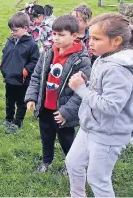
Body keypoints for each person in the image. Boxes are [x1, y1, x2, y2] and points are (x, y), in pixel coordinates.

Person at [66, 13, 133, 197]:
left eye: (96, 38)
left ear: (116, 41)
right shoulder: (104, 58)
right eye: (90, 37)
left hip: (108, 134)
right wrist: (87, 84)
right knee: (73, 163)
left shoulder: (118, 69)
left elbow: (112, 107)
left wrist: (81, 90)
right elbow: (101, 92)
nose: (90, 42)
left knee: (98, 179)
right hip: (90, 126)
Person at [25, 15, 92, 174]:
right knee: (46, 137)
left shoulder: (81, 60)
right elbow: (36, 76)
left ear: (74, 36)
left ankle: (72, 164)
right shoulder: (47, 53)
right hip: (45, 107)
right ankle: (46, 161)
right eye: (54, 34)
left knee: (66, 139)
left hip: (63, 111)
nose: (56, 38)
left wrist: (65, 112)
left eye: (61, 35)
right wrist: (32, 97)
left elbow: (81, 92)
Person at [0, 12, 39, 134]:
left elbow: (35, 60)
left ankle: (17, 122)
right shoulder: (10, 40)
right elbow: (5, 52)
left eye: (15, 30)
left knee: (21, 102)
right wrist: (3, 63)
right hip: (9, 77)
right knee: (9, 100)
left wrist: (26, 70)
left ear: (25, 28)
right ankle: (8, 118)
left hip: (22, 80)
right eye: (11, 30)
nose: (12, 32)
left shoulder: (31, 44)